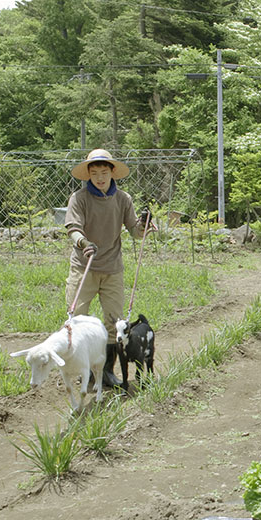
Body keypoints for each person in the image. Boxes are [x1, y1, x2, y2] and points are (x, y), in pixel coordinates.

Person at [64, 148, 152, 387]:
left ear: (113, 172)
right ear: (88, 175)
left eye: (104, 172)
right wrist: (83, 243)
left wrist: (143, 227)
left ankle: (106, 372)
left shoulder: (123, 199)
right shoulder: (79, 198)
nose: (100, 177)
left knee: (115, 323)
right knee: (78, 322)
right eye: (94, 173)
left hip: (113, 268)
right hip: (84, 266)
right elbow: (73, 228)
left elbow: (134, 230)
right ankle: (86, 370)